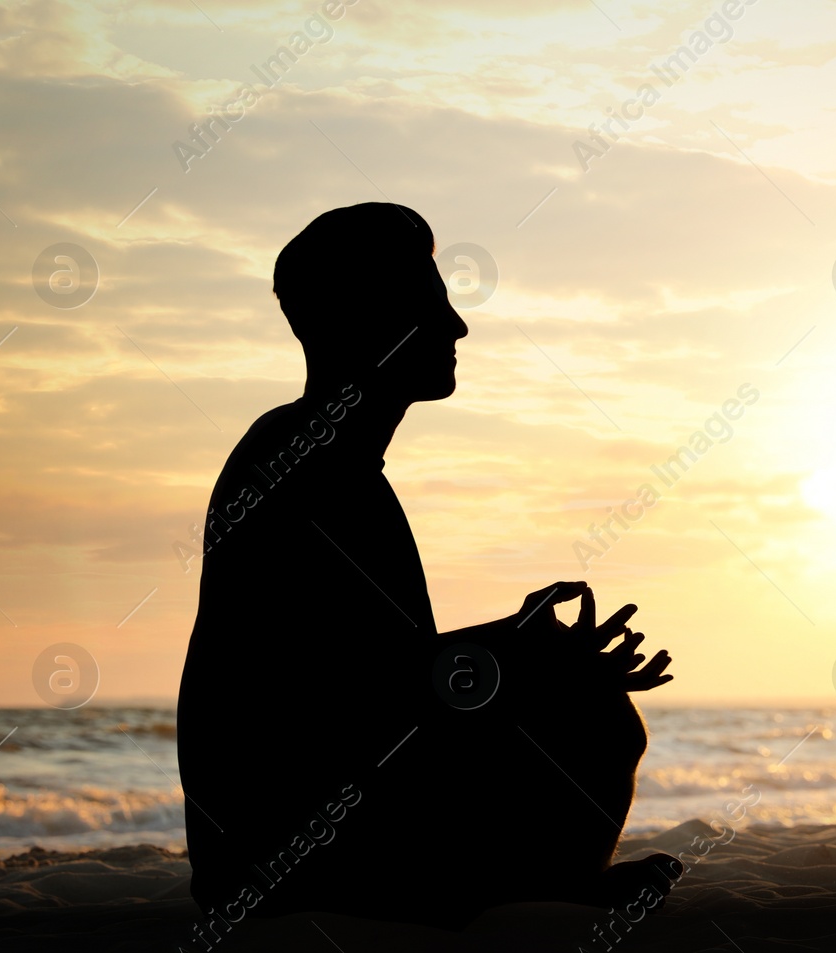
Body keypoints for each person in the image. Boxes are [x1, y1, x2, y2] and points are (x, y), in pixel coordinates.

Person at [176, 202, 679, 930]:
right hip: (280, 861)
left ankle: (530, 887)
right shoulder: (312, 471)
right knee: (591, 713)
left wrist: (529, 645)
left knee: (577, 695)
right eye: (430, 306)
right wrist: (523, 644)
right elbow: (359, 689)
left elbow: (383, 674)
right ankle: (531, 891)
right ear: (362, 320)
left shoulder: (318, 456)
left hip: (273, 848)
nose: (457, 327)